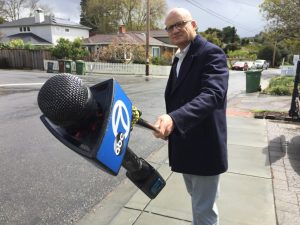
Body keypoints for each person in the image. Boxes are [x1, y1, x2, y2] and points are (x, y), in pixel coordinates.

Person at [153, 8, 229, 225]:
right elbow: (178, 97)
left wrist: (174, 119)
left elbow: (213, 95)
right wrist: (170, 124)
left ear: (193, 24)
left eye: (180, 24)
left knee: (203, 211)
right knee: (198, 202)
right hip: (186, 145)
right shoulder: (179, 57)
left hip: (205, 147)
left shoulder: (211, 53)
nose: (174, 30)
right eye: (170, 27)